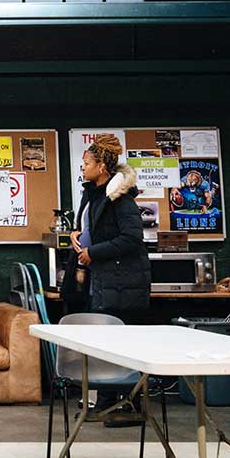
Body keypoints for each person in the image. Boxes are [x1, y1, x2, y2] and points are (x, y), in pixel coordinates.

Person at [71, 134, 148, 426]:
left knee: (120, 345)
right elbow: (93, 227)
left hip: (122, 282)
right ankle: (105, 403)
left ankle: (127, 406)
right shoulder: (93, 194)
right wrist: (77, 235)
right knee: (104, 343)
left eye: (87, 163)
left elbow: (131, 238)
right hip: (103, 280)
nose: (83, 168)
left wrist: (94, 252)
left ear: (102, 166)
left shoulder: (121, 198)